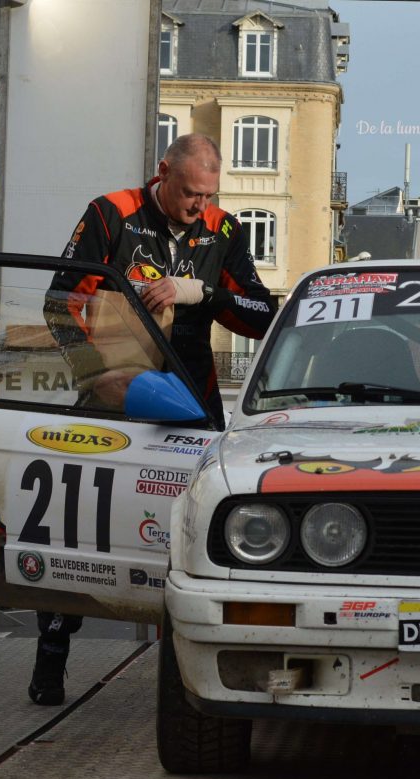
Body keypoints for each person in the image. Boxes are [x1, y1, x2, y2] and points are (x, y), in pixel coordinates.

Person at [31, 133, 277, 706]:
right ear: (162, 173)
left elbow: (263, 315)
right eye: (190, 193)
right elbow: (58, 304)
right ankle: (51, 654)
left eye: (208, 195)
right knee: (79, 532)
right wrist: (93, 374)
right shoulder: (111, 213)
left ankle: (189, 674)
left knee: (190, 537)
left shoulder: (223, 230)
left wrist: (205, 293)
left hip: (190, 406)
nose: (199, 206)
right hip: (109, 399)